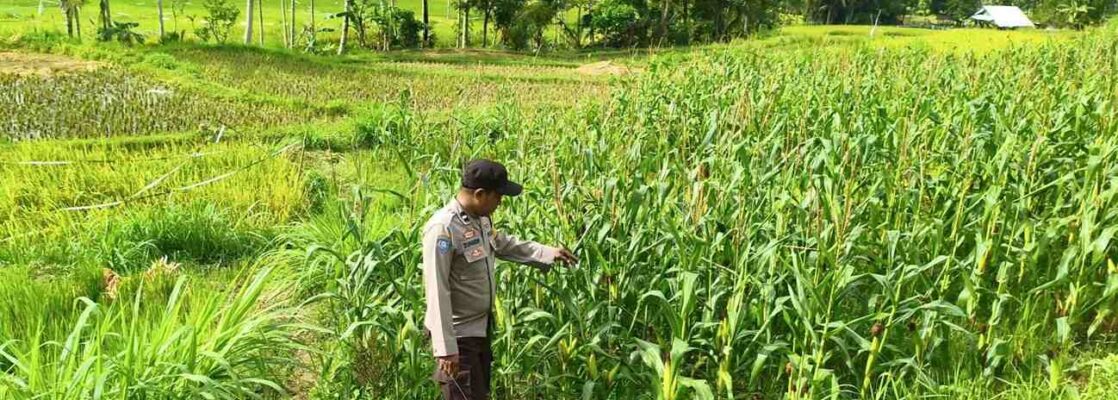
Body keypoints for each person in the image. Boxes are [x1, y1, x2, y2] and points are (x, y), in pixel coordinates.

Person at [421, 159, 578, 400]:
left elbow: (503, 244)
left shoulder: (480, 220)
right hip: (458, 340)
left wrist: (547, 253)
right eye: (498, 196)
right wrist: (445, 349)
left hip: (479, 333)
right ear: (480, 194)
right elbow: (437, 291)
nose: (501, 202)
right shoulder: (444, 228)